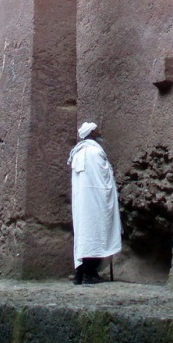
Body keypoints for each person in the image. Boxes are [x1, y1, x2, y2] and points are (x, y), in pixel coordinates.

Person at [68, 121, 122, 285]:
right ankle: (89, 274)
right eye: (97, 131)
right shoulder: (95, 152)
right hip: (95, 200)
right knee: (94, 232)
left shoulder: (77, 153)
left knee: (84, 233)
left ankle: (80, 273)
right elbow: (104, 179)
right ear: (91, 133)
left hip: (82, 202)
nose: (99, 133)